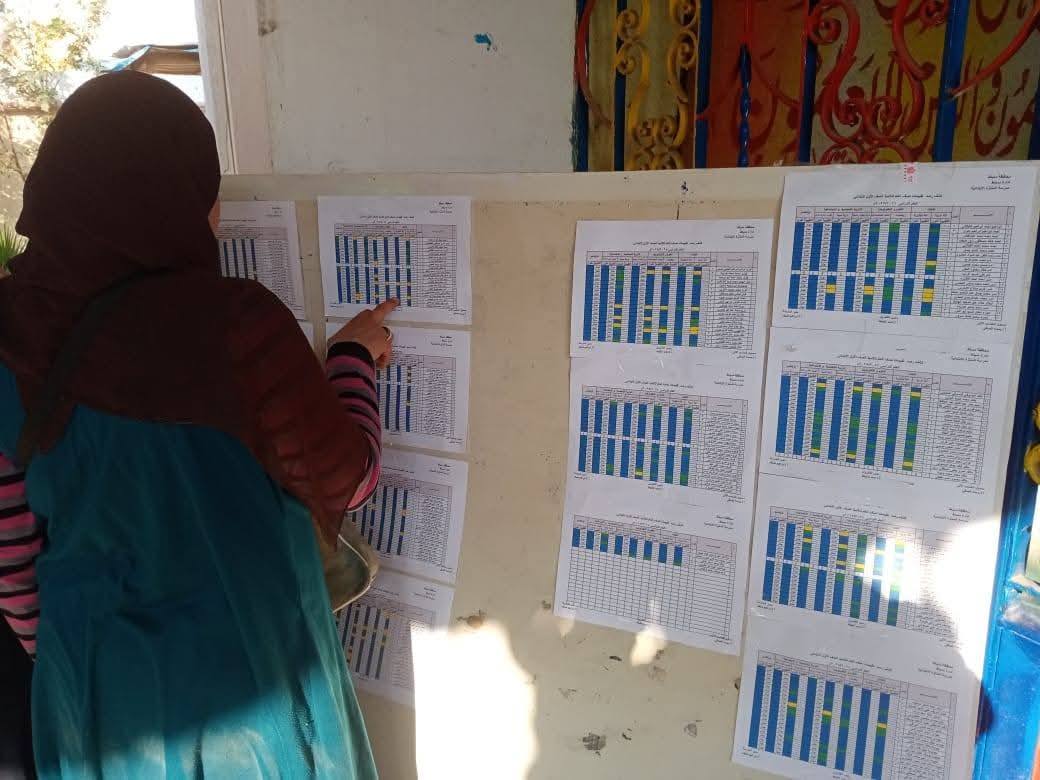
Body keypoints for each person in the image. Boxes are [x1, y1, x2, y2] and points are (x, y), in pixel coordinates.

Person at [0, 71, 393, 778]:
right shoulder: (238, 327)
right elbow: (350, 479)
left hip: (93, 706)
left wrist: (86, 659)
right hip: (255, 688)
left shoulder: (8, 334)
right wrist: (352, 360)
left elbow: (13, 564)